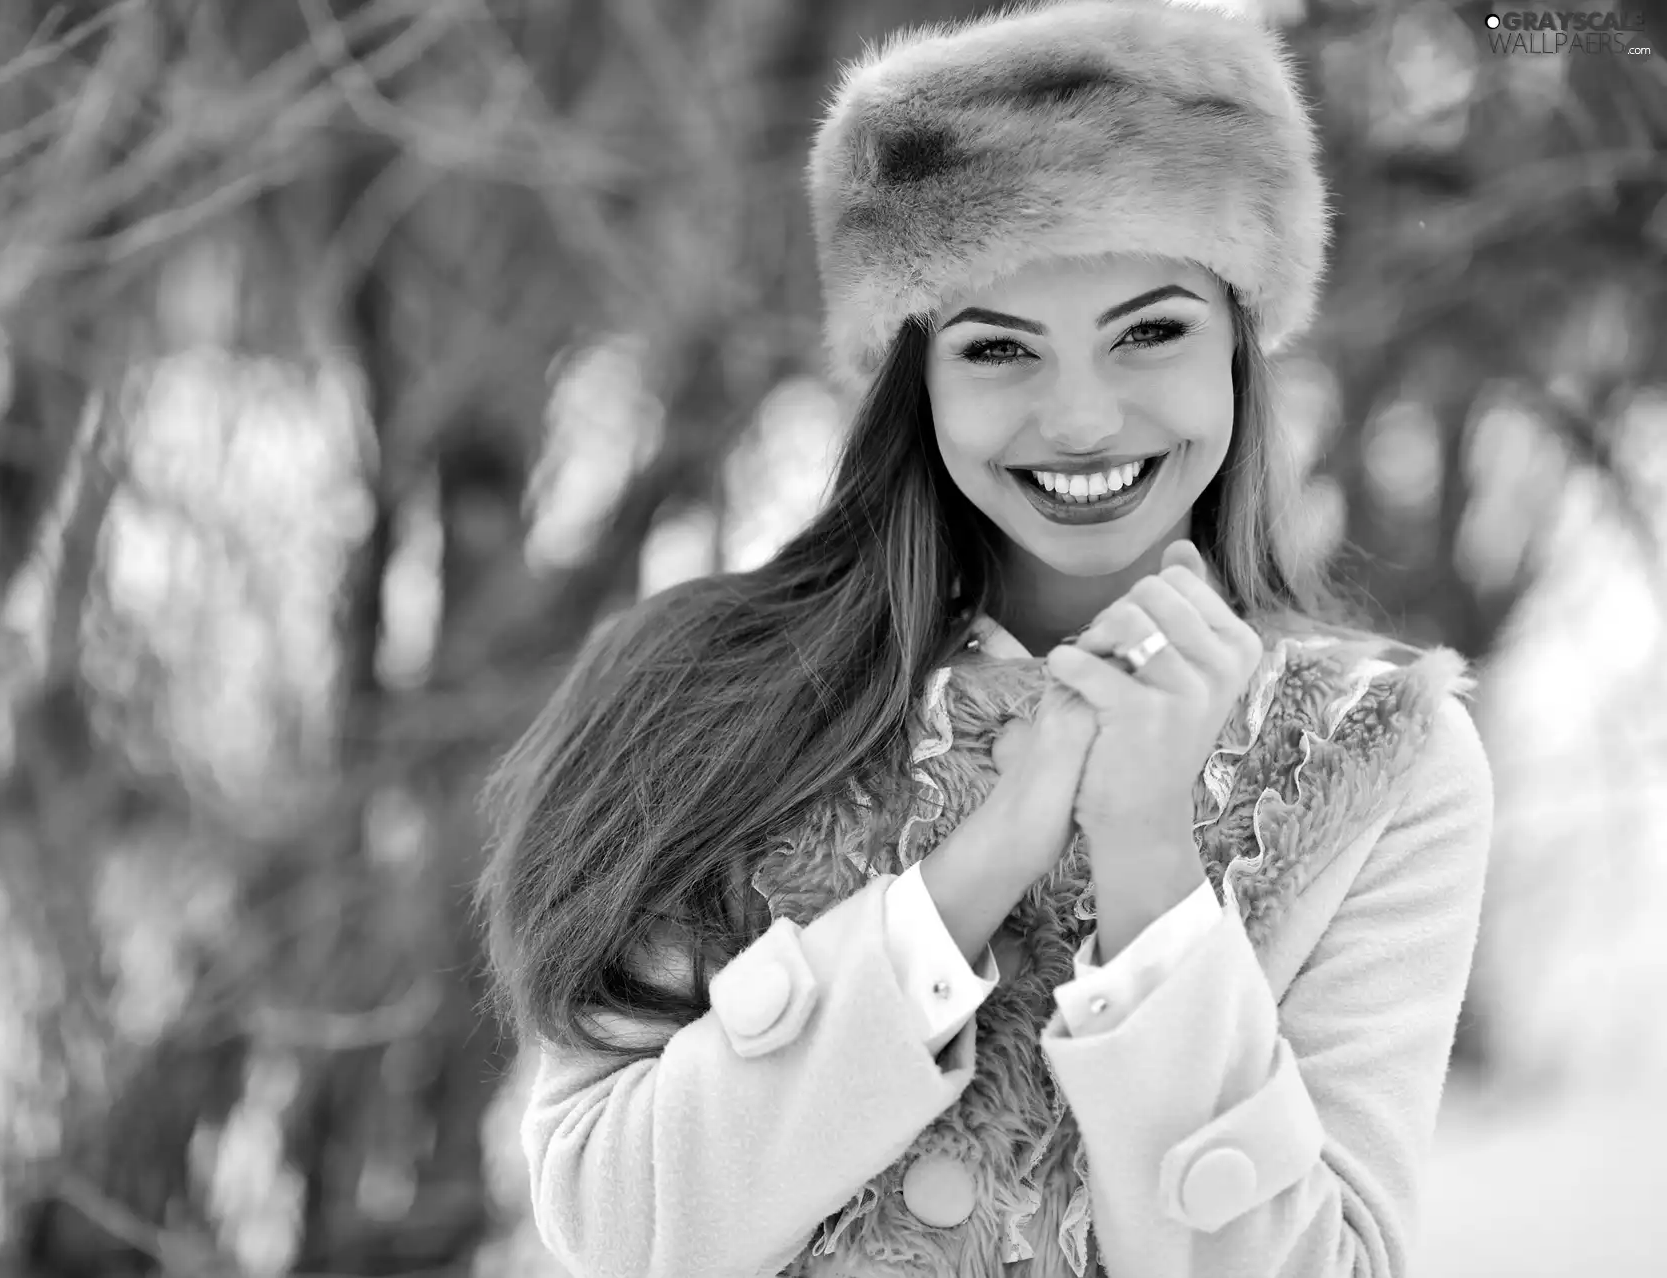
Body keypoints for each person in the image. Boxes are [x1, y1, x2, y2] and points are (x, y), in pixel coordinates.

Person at [472, 1, 1495, 1275]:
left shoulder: (1377, 765)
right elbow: (617, 1226)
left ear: (1241, 342)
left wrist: (1147, 863)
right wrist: (968, 877)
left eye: (1151, 329)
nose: (1080, 417)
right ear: (919, 379)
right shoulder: (707, 701)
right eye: (1000, 347)